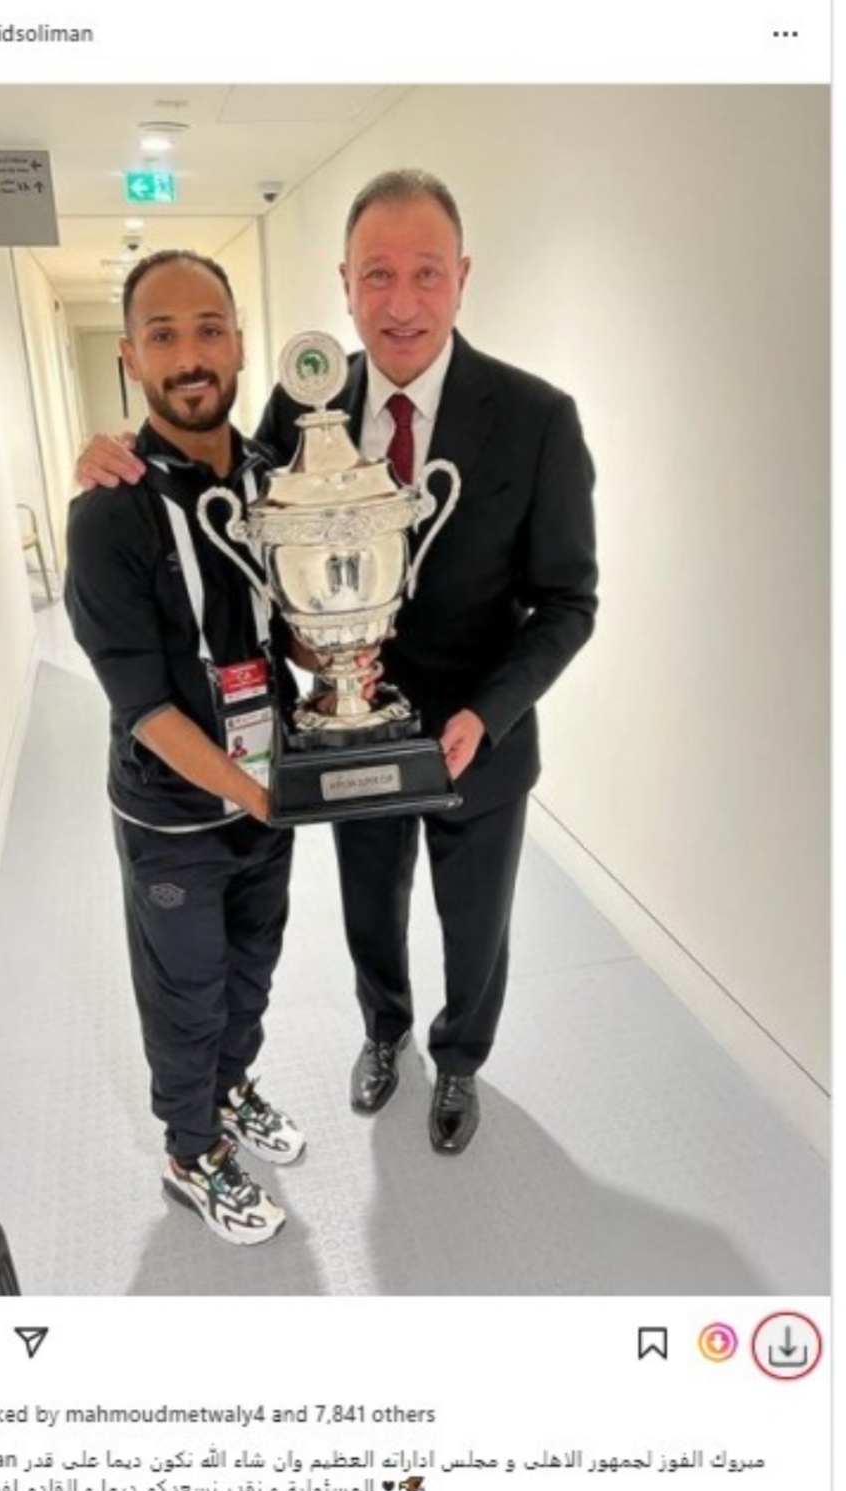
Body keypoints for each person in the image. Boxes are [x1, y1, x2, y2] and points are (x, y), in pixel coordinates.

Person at [76, 170, 598, 1157]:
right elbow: (227, 493)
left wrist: (485, 712)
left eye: (426, 273)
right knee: (370, 908)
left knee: (475, 922)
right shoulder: (304, 399)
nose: (401, 302)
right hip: (341, 731)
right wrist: (111, 457)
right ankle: (383, 1031)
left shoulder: (538, 417)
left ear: (462, 279)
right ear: (346, 286)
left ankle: (459, 1058)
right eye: (377, 275)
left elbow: (568, 603)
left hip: (480, 739)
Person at [65, 250, 303, 1247]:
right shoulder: (107, 513)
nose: (190, 355)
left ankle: (231, 1087)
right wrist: (259, 796)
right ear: (131, 357)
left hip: (267, 786)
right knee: (187, 989)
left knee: (253, 967)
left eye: (208, 328)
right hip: (175, 813)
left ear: (239, 343)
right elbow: (147, 709)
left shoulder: (278, 481)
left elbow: (292, 629)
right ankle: (191, 1150)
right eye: (162, 335)